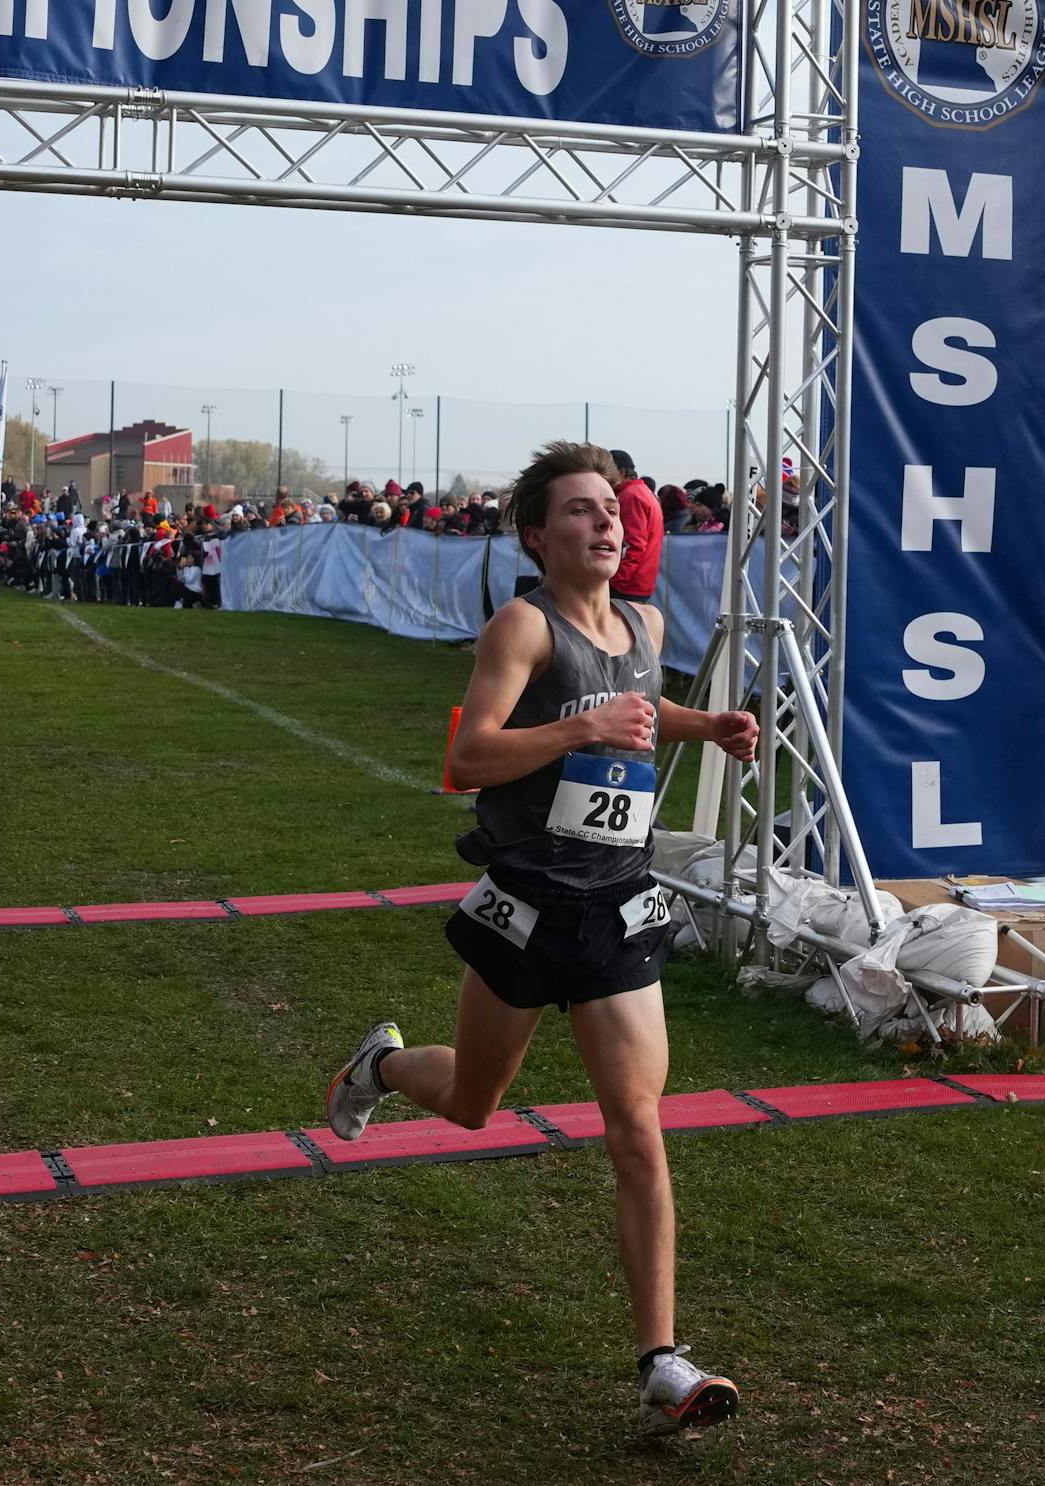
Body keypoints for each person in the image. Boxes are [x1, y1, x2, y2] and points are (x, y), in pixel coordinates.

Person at [323, 440, 759, 1439]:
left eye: (610, 509)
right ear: (537, 535)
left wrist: (709, 724)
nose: (604, 523)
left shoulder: (647, 622)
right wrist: (579, 730)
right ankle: (382, 1068)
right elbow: (468, 757)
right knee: (475, 1103)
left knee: (637, 1124)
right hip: (524, 909)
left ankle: (662, 1365)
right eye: (578, 511)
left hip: (615, 911)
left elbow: (643, 711)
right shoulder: (521, 626)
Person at [607, 448, 664, 603]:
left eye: (606, 473)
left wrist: (615, 581)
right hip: (639, 581)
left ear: (621, 472)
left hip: (627, 585)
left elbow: (633, 545)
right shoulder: (642, 492)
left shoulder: (629, 496)